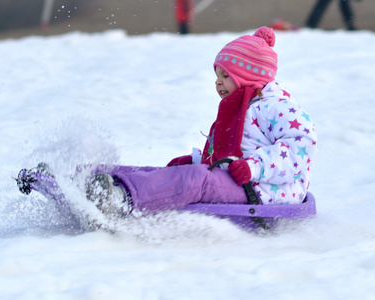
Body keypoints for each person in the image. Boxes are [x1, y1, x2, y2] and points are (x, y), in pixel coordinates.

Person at [82, 27, 318, 221]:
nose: (218, 83)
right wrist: (197, 160)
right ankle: (91, 177)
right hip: (242, 181)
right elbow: (231, 153)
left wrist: (253, 167)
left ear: (249, 74)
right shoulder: (243, 107)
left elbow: (301, 149)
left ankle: (118, 199)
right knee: (174, 173)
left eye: (226, 76)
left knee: (196, 179)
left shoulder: (277, 107)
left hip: (266, 191)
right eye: (217, 76)